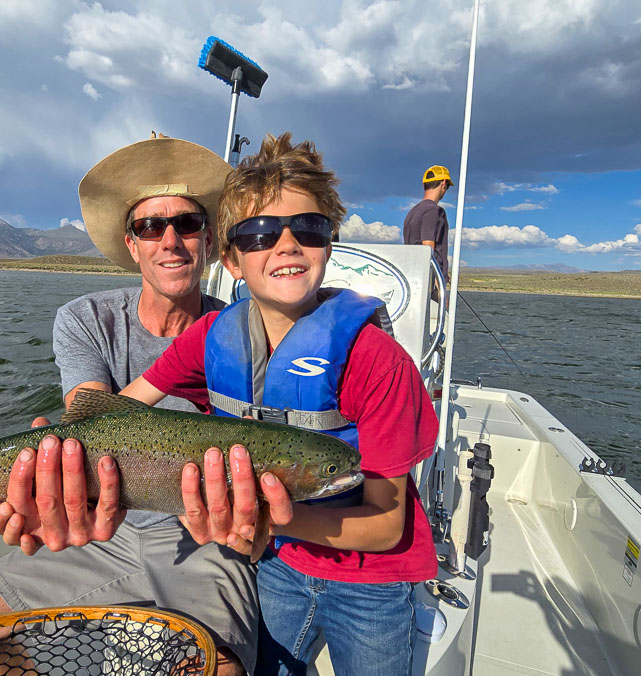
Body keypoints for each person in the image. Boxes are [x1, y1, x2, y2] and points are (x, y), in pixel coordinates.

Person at [0, 135, 278, 676]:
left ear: (210, 241)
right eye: (151, 226)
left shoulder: (249, 333)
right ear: (132, 243)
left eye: (188, 225)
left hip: (205, 535)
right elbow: (89, 421)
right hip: (102, 528)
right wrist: (33, 485)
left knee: (218, 669)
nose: (169, 240)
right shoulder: (85, 319)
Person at [117, 133, 440, 676]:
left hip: (373, 585)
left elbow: (386, 526)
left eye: (308, 229)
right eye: (260, 233)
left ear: (329, 244)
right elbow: (121, 413)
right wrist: (50, 455)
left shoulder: (379, 361)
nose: (286, 245)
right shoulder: (209, 337)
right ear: (232, 259)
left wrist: (267, 523)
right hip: (275, 571)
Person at [402, 164, 453, 285]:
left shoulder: (413, 212)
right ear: (444, 183)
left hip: (413, 276)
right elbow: (427, 247)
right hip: (428, 281)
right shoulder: (433, 211)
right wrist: (437, 283)